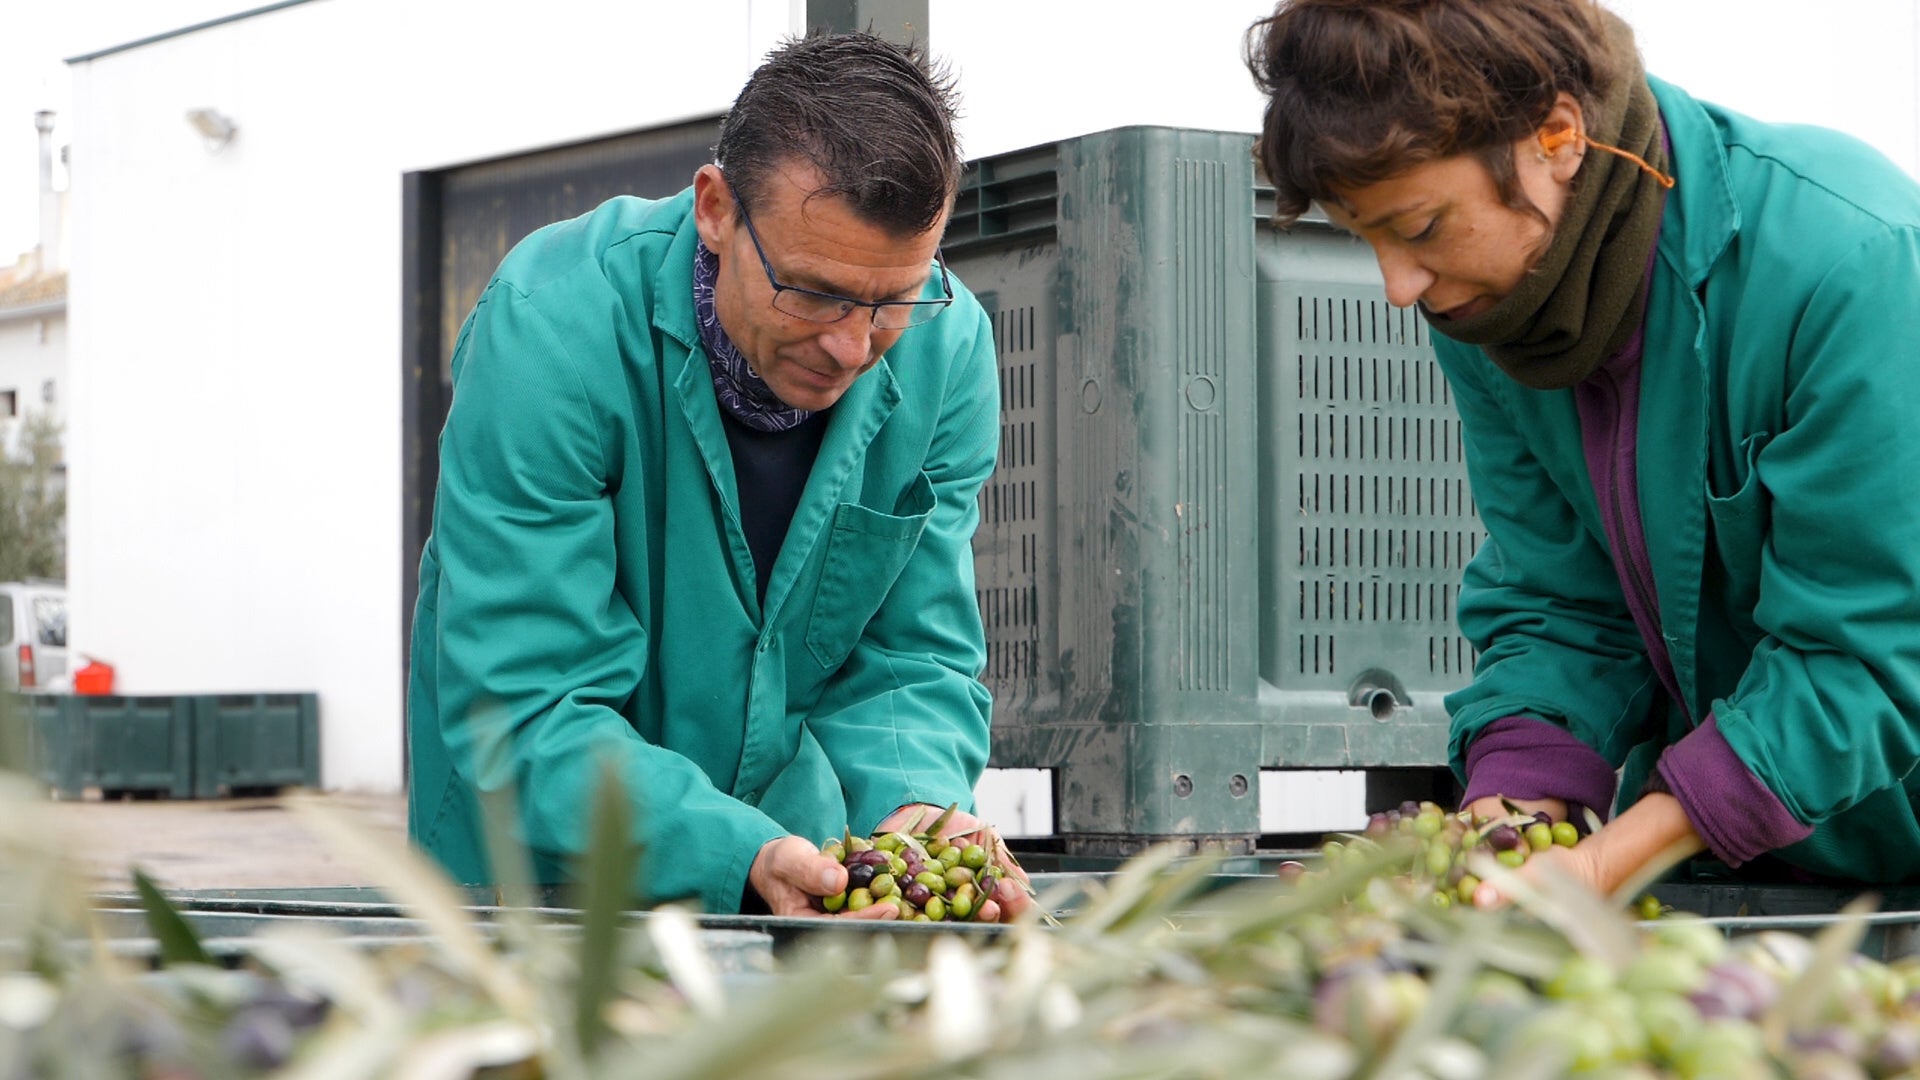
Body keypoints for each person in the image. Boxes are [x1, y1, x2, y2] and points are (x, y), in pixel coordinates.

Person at [1245, 0, 1920, 903]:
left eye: (1417, 229)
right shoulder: (1491, 310)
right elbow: (1558, 593)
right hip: (1766, 865)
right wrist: (1511, 812)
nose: (1398, 288)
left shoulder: (1849, 261)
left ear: (1557, 135)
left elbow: (1869, 651)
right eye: (1362, 237)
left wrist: (1607, 859)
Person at [407, 31, 1030, 921]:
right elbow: (525, 703)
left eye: (891, 299)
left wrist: (914, 806)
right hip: (533, 888)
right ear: (715, 209)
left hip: (787, 871)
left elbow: (913, 653)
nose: (852, 348)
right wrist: (735, 850)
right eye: (812, 292)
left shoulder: (947, 344)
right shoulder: (551, 332)